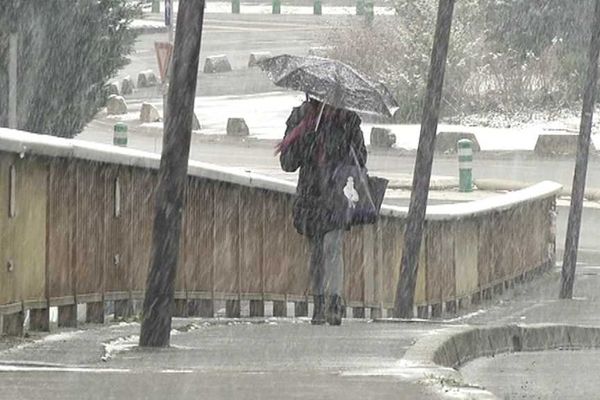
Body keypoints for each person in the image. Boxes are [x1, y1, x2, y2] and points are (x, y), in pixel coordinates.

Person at [277, 97, 367, 326]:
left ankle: (334, 303)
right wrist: (305, 141)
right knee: (317, 251)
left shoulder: (347, 120)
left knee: (333, 246)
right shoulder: (301, 119)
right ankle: (318, 303)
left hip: (337, 194)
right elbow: (287, 163)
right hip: (311, 195)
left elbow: (361, 159)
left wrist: (340, 152)